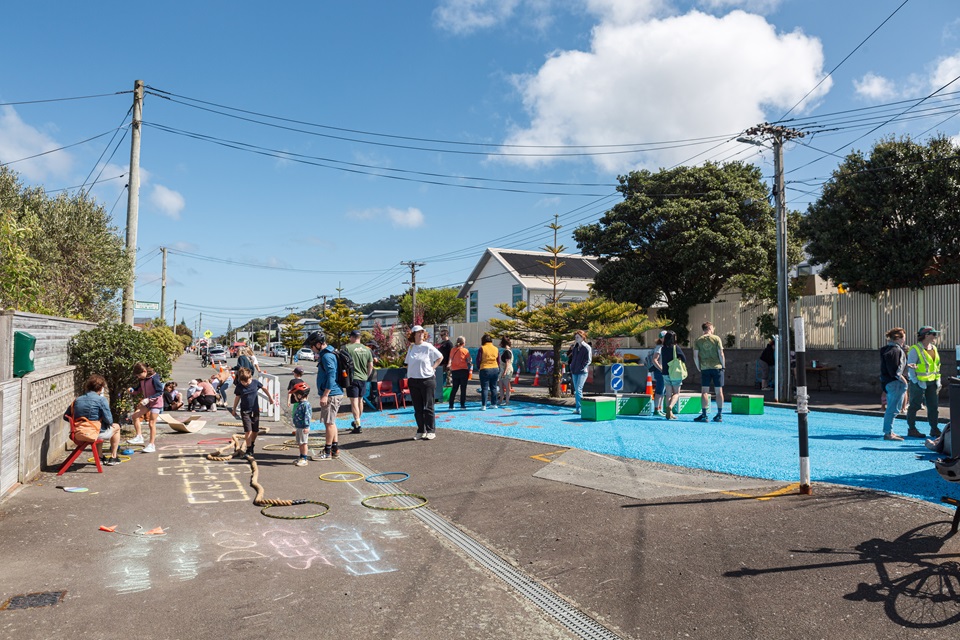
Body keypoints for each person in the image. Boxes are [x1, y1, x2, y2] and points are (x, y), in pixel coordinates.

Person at [64, 374, 122, 465]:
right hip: (93, 433)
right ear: (101, 388)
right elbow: (109, 420)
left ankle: (100, 457)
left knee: (98, 428)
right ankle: (113, 457)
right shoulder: (101, 400)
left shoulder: (78, 400)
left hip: (78, 433)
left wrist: (80, 423)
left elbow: (66, 416)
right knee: (116, 427)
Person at [306, 331, 344, 459]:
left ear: (318, 344)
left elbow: (331, 375)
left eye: (311, 346)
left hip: (331, 394)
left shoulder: (327, 356)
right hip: (333, 393)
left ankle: (327, 452)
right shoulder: (329, 353)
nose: (311, 349)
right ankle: (335, 449)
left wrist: (325, 394)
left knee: (329, 423)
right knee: (331, 423)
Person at [405, 325, 443, 439]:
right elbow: (407, 362)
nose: (421, 334)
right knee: (417, 408)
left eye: (422, 332)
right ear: (413, 335)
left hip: (427, 379)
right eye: (418, 332)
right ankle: (421, 430)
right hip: (413, 380)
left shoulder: (428, 346)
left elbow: (440, 357)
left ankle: (431, 430)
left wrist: (433, 367)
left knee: (428, 407)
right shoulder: (411, 348)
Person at [906, 325, 943, 439]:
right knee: (914, 406)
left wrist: (938, 381)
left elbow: (936, 366)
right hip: (919, 383)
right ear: (926, 335)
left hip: (932, 382)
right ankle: (912, 429)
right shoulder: (915, 349)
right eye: (934, 334)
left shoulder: (934, 348)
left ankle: (934, 429)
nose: (935, 336)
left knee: (933, 407)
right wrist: (915, 381)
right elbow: (910, 367)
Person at [230, 367, 274, 458]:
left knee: (255, 431)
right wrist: (234, 409)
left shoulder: (255, 383)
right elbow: (237, 398)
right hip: (245, 411)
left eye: (246, 382)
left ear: (250, 378)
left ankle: (252, 444)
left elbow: (264, 388)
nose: (245, 384)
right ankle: (249, 449)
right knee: (248, 431)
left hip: (255, 410)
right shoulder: (239, 387)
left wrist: (270, 397)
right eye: (242, 382)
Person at [693, 322, 726, 423]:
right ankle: (719, 415)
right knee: (719, 391)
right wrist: (723, 366)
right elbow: (721, 353)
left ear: (703, 329)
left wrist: (699, 367)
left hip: (705, 368)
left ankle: (704, 415)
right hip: (717, 367)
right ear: (711, 328)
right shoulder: (716, 338)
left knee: (705, 391)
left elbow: (695, 356)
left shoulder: (698, 340)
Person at [127, 363, 164, 453]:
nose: (139, 377)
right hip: (147, 403)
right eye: (137, 376)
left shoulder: (154, 378)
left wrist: (149, 399)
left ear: (145, 371)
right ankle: (139, 436)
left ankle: (151, 445)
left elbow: (160, 392)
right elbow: (138, 389)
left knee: (151, 423)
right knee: (135, 416)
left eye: (139, 375)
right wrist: (132, 390)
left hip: (155, 403)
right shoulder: (142, 379)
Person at [879, 327, 908, 441]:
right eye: (903, 338)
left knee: (892, 408)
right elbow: (894, 370)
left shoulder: (886, 349)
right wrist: (903, 380)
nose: (904, 340)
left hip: (888, 382)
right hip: (895, 383)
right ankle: (888, 433)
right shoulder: (895, 350)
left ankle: (889, 431)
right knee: (893, 409)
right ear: (898, 338)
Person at [344, 329, 374, 434]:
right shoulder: (367, 349)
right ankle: (358, 421)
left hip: (353, 378)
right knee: (361, 400)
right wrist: (367, 376)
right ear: (360, 338)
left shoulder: (348, 348)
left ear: (352, 337)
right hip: (363, 378)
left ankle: (357, 424)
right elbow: (370, 365)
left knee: (354, 402)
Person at [660, 330, 686, 421]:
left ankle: (669, 413)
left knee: (668, 394)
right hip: (675, 373)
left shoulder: (663, 348)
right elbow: (684, 358)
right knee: (676, 393)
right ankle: (670, 407)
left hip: (665, 373)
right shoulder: (675, 347)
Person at [568, 330, 592, 414]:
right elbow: (573, 358)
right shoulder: (575, 347)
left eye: (578, 337)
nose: (576, 338)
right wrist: (572, 366)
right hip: (574, 371)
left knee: (578, 389)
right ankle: (578, 409)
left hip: (582, 372)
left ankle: (581, 408)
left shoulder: (587, 347)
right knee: (576, 390)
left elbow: (588, 360)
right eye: (575, 337)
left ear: (582, 337)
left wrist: (582, 368)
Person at [290, 382, 313, 467]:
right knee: (300, 442)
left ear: (299, 396)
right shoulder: (300, 404)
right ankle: (301, 456)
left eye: (295, 395)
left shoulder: (306, 405)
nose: (294, 397)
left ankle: (304, 458)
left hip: (303, 427)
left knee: (304, 443)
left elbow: (307, 416)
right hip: (299, 427)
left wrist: (307, 426)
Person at [476, 334, 500, 411]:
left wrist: (479, 367)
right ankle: (494, 404)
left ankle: (484, 405)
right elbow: (498, 360)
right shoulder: (496, 348)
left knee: (485, 388)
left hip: (485, 368)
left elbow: (478, 359)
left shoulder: (482, 348)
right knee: (494, 387)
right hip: (495, 368)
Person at [448, 336, 472, 410]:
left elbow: (450, 358)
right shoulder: (465, 350)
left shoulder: (453, 349)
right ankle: (462, 405)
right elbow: (469, 360)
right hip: (463, 370)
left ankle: (451, 405)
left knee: (454, 388)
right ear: (463, 343)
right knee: (463, 388)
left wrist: (449, 365)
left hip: (455, 370)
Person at [434, 329, 454, 401]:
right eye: (440, 335)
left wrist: (449, 363)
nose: (441, 336)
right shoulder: (442, 344)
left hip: (446, 364)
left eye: (442, 335)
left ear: (446, 335)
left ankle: (445, 396)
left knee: (446, 379)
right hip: (440, 364)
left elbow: (451, 355)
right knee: (439, 380)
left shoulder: (449, 344)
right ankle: (438, 395)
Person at [649, 331, 666, 416]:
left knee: (663, 390)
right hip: (659, 372)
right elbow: (654, 360)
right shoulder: (659, 348)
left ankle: (659, 408)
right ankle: (656, 409)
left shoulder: (664, 347)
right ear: (661, 338)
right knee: (659, 390)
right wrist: (661, 369)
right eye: (665, 337)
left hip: (662, 371)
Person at [498, 337, 514, 407]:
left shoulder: (507, 352)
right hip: (502, 370)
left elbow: (508, 362)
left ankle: (507, 401)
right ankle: (501, 400)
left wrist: (505, 372)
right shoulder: (506, 351)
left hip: (506, 370)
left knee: (507, 387)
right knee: (501, 386)